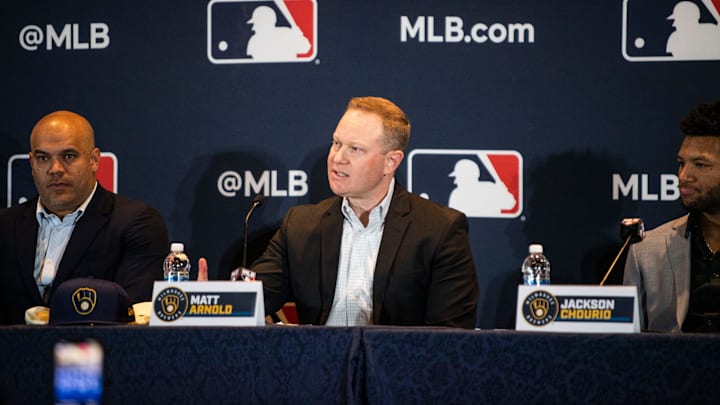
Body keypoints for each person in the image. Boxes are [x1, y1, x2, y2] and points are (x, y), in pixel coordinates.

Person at [235, 96, 479, 328]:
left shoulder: (439, 229)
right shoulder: (300, 224)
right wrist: (214, 303)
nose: (337, 158)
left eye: (355, 149)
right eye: (337, 143)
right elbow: (252, 299)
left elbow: (450, 334)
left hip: (397, 368)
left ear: (391, 162)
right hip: (318, 365)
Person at [0, 110, 169, 325]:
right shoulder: (4, 226)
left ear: (94, 160)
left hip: (98, 355)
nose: (55, 169)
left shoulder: (136, 223)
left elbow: (133, 318)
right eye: (43, 158)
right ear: (32, 163)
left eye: (68, 156)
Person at [624, 99, 720, 332]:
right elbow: (623, 347)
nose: (684, 176)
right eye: (681, 163)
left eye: (700, 165)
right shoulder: (646, 249)